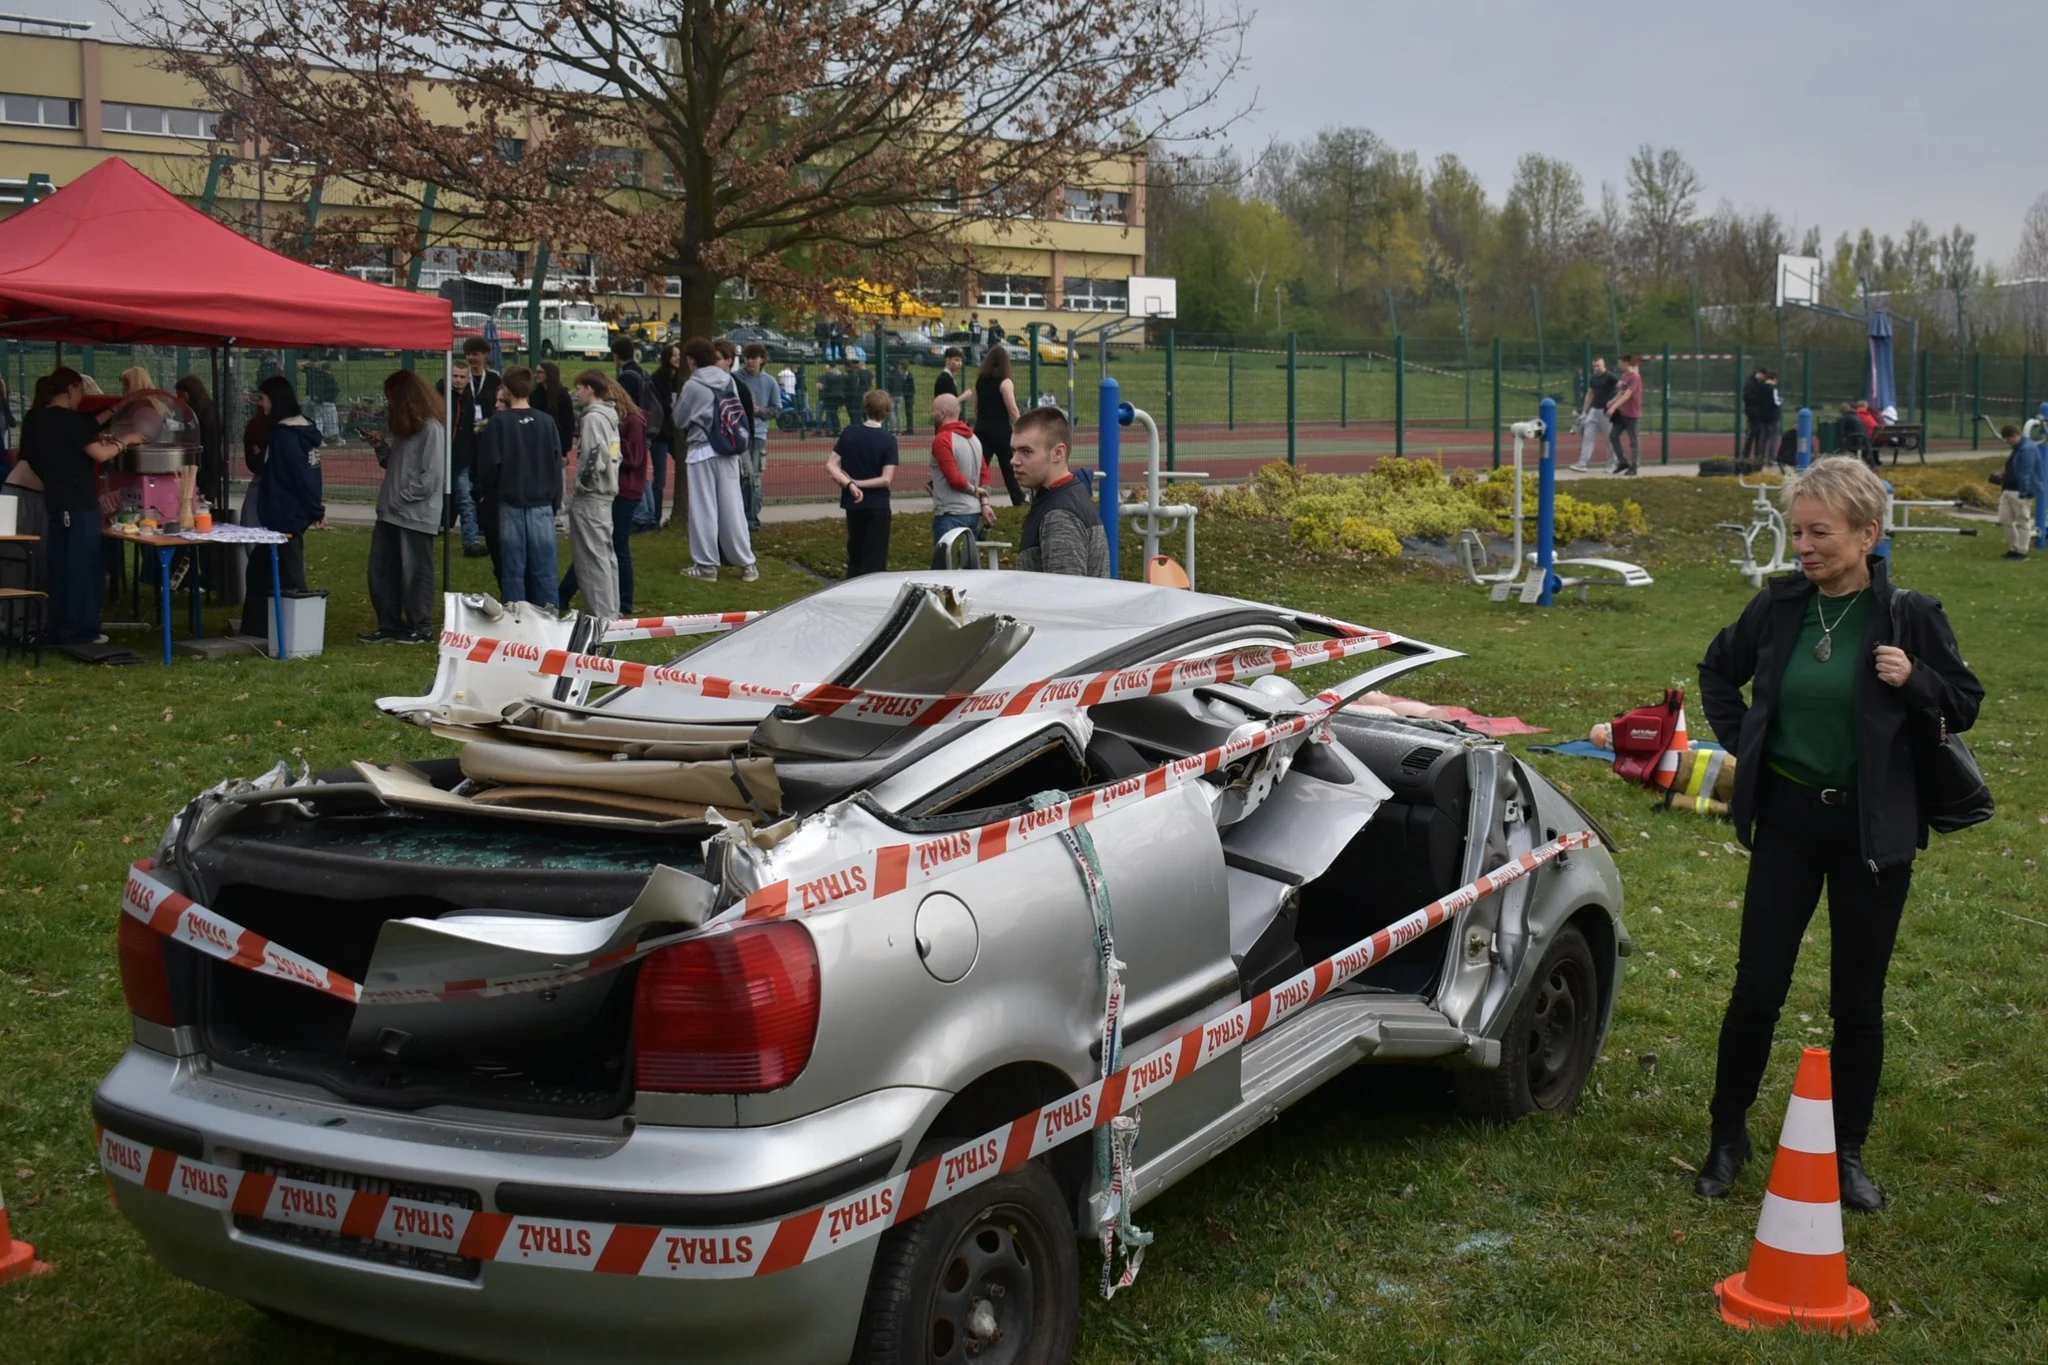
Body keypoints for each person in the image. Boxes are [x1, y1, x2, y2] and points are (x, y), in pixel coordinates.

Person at [1693, 456, 1982, 1213]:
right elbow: (1717, 671)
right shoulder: (1781, 605)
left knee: (1859, 998)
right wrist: (1747, 740)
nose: (1805, 547)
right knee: (1757, 986)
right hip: (1788, 820)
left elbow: (1964, 700)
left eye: (1821, 532)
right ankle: (1728, 1136)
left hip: (1871, 830)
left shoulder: (1909, 613)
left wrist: (1914, 678)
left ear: (1867, 533)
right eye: (1798, 531)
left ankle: (1846, 1150)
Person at [23, 368, 136, 644]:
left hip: (55, 501)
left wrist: (118, 408)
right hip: (77, 503)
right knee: (82, 567)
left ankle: (60, 625)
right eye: (80, 392)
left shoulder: (36, 418)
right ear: (71, 388)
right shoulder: (66, 420)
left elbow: (87, 428)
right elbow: (99, 452)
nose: (81, 398)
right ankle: (81, 630)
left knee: (61, 566)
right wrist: (126, 441)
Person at [359, 370, 445, 643]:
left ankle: (421, 626)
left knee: (415, 572)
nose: (388, 404)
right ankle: (390, 623)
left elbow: (430, 477)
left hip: (414, 515)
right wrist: (381, 448)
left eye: (390, 398)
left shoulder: (431, 428)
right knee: (382, 571)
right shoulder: (404, 430)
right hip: (390, 513)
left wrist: (400, 498)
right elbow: (395, 465)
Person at [235, 375, 324, 636]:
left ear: (275, 400)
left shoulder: (285, 436)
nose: (260, 404)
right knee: (261, 569)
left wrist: (316, 509)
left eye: (263, 399)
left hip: (283, 514)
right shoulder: (300, 431)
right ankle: (259, 625)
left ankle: (300, 630)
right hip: (286, 512)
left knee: (288, 572)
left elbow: (299, 476)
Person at [473, 364, 562, 611]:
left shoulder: (499, 423)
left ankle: (517, 619)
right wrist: (555, 500)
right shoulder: (546, 422)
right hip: (542, 503)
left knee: (513, 570)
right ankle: (548, 616)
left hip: (510, 503)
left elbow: (489, 465)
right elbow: (557, 466)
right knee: (545, 570)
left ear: (507, 389)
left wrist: (484, 493)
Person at [672, 336, 758, 581]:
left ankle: (706, 565)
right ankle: (747, 564)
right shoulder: (728, 379)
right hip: (729, 448)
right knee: (733, 509)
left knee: (703, 509)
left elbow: (679, 419)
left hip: (702, 450)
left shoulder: (692, 385)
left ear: (691, 360)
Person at [559, 372, 644, 618]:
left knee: (590, 557)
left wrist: (584, 484)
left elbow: (595, 455)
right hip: (606, 493)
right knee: (605, 555)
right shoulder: (611, 416)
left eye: (579, 388)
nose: (577, 394)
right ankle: (612, 608)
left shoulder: (594, 419)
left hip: (593, 495)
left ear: (590, 389)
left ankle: (603, 614)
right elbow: (614, 453)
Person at [1013, 406, 1109, 577]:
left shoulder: (1060, 516)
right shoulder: (1070, 492)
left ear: (1058, 453)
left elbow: (1065, 597)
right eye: (1014, 451)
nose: (1014, 460)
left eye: (1026, 451)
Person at [439, 337, 501, 560]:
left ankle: (472, 539)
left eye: (461, 377)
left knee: (467, 493)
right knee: (453, 493)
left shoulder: (493, 379)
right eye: (454, 376)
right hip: (453, 450)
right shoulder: (448, 394)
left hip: (474, 446)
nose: (458, 380)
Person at [826, 388, 898, 577]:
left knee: (855, 553)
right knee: (875, 558)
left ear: (865, 408)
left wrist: (849, 484)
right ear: (887, 412)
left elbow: (831, 464)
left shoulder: (850, 433)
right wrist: (858, 483)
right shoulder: (888, 440)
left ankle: (852, 589)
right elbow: (886, 479)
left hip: (853, 504)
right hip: (878, 504)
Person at [928, 392, 989, 568]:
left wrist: (973, 490)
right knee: (971, 569)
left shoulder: (942, 439)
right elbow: (985, 474)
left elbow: (953, 478)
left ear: (943, 413)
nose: (932, 415)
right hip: (974, 512)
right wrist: (984, 502)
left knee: (943, 571)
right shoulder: (973, 438)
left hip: (950, 513)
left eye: (934, 411)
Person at [735, 342, 781, 534]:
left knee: (755, 478)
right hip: (739, 433)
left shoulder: (769, 382)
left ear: (762, 360)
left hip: (759, 434)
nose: (750, 362)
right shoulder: (736, 378)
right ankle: (742, 517)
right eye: (747, 358)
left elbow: (777, 409)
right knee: (744, 476)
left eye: (754, 358)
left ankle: (752, 517)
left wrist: (760, 411)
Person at [974, 344, 1025, 505]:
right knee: (1008, 465)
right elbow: (1012, 408)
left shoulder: (981, 381)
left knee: (979, 465)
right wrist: (1021, 426)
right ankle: (1017, 498)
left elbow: (976, 406)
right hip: (1001, 429)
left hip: (982, 428)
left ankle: (972, 495)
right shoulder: (1005, 383)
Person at [642, 341, 683, 531]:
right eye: (674, 355)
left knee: (686, 469)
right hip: (661, 434)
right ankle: (655, 518)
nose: (677, 358)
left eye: (679, 355)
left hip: (677, 432)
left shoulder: (683, 378)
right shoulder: (658, 378)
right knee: (660, 478)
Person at [1991, 422, 2043, 560]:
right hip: (2008, 488)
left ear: (2014, 435)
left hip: (2019, 490)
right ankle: (2014, 547)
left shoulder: (2027, 449)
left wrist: (2025, 493)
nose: (2008, 443)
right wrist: (2003, 475)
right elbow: (2015, 469)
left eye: (2008, 439)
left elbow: (2026, 472)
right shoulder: (2018, 448)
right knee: (2005, 519)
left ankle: (2021, 551)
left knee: (2022, 520)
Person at [172, 376, 225, 507]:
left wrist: (207, 487)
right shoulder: (202, 412)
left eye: (179, 396)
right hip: (201, 471)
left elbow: (211, 453)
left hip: (205, 473)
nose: (178, 400)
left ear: (187, 395)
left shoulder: (207, 417)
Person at [1571, 357, 1616, 472]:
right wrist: (1584, 412)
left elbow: (1622, 390)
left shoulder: (1611, 377)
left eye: (1598, 366)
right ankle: (1582, 464)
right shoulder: (1593, 378)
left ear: (1604, 365)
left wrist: (1614, 404)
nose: (1596, 368)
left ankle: (1613, 464)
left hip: (1606, 411)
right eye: (1594, 366)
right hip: (1594, 410)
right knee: (1587, 436)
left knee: (1610, 438)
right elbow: (1590, 394)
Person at [1604, 354, 1643, 476]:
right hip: (1622, 413)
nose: (1619, 365)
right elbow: (1621, 392)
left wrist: (1613, 407)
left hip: (1632, 414)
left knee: (1634, 440)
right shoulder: (1624, 376)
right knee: (1613, 436)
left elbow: (1627, 395)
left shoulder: (1635, 377)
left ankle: (1634, 466)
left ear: (1626, 363)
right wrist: (1612, 401)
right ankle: (1623, 462)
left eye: (1621, 363)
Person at [1741, 367, 1781, 471]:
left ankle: (1759, 455)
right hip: (1756, 413)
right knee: (1761, 435)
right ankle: (1759, 456)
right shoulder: (1753, 384)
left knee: (1761, 436)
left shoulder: (1760, 385)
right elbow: (1774, 401)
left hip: (1761, 415)